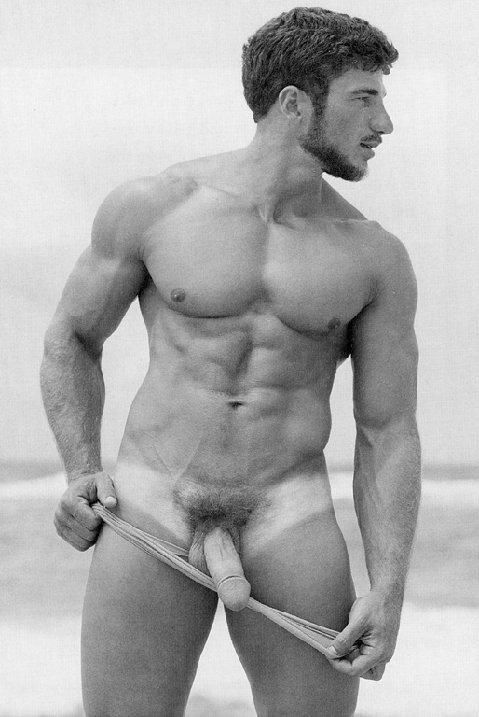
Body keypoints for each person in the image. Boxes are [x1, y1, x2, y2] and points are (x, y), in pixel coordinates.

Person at [40, 7, 421, 716]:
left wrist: (389, 584)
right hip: (151, 502)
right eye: (364, 98)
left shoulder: (374, 256)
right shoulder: (154, 207)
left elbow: (388, 429)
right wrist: (80, 467)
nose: (384, 123)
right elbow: (71, 337)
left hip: (289, 512)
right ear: (294, 103)